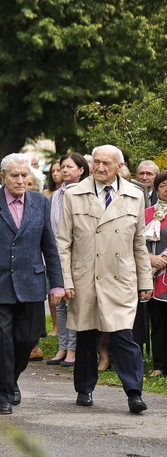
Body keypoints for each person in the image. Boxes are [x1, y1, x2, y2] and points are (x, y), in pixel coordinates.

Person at [57, 145, 152, 413]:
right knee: (87, 336)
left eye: (106, 163)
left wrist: (144, 281)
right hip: (85, 276)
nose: (99, 167)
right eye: (96, 162)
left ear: (119, 166)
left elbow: (139, 243)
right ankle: (84, 389)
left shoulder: (134, 194)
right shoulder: (75, 194)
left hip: (120, 278)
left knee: (124, 336)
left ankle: (134, 393)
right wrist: (66, 280)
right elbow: (63, 242)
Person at [0, 153, 64, 415]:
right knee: (0, 342)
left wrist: (56, 283)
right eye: (15, 175)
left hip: (31, 282)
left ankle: (11, 379)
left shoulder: (39, 203)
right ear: (3, 177)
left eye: (25, 175)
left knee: (27, 339)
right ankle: (2, 395)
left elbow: (49, 245)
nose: (21, 180)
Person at [46, 153, 90, 367]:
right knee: (60, 302)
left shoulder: (85, 192)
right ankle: (62, 347)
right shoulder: (55, 195)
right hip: (57, 252)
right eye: (62, 167)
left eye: (70, 167)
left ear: (81, 170)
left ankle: (73, 349)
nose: (64, 170)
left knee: (74, 302)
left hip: (78, 254)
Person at [145, 170, 167, 377]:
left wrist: (160, 262)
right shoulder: (147, 213)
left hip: (160, 271)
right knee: (157, 321)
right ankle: (159, 365)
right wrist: (149, 260)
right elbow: (137, 241)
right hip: (151, 276)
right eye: (162, 185)